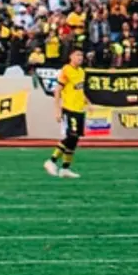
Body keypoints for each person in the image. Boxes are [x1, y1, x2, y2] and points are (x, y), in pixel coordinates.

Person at [45, 49, 85, 179]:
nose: (80, 57)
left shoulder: (81, 72)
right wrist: (57, 110)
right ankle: (51, 161)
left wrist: (88, 103)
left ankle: (65, 169)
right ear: (71, 57)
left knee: (74, 140)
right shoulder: (66, 70)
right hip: (69, 109)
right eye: (77, 55)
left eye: (81, 55)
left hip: (79, 109)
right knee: (71, 135)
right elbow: (57, 90)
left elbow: (79, 90)